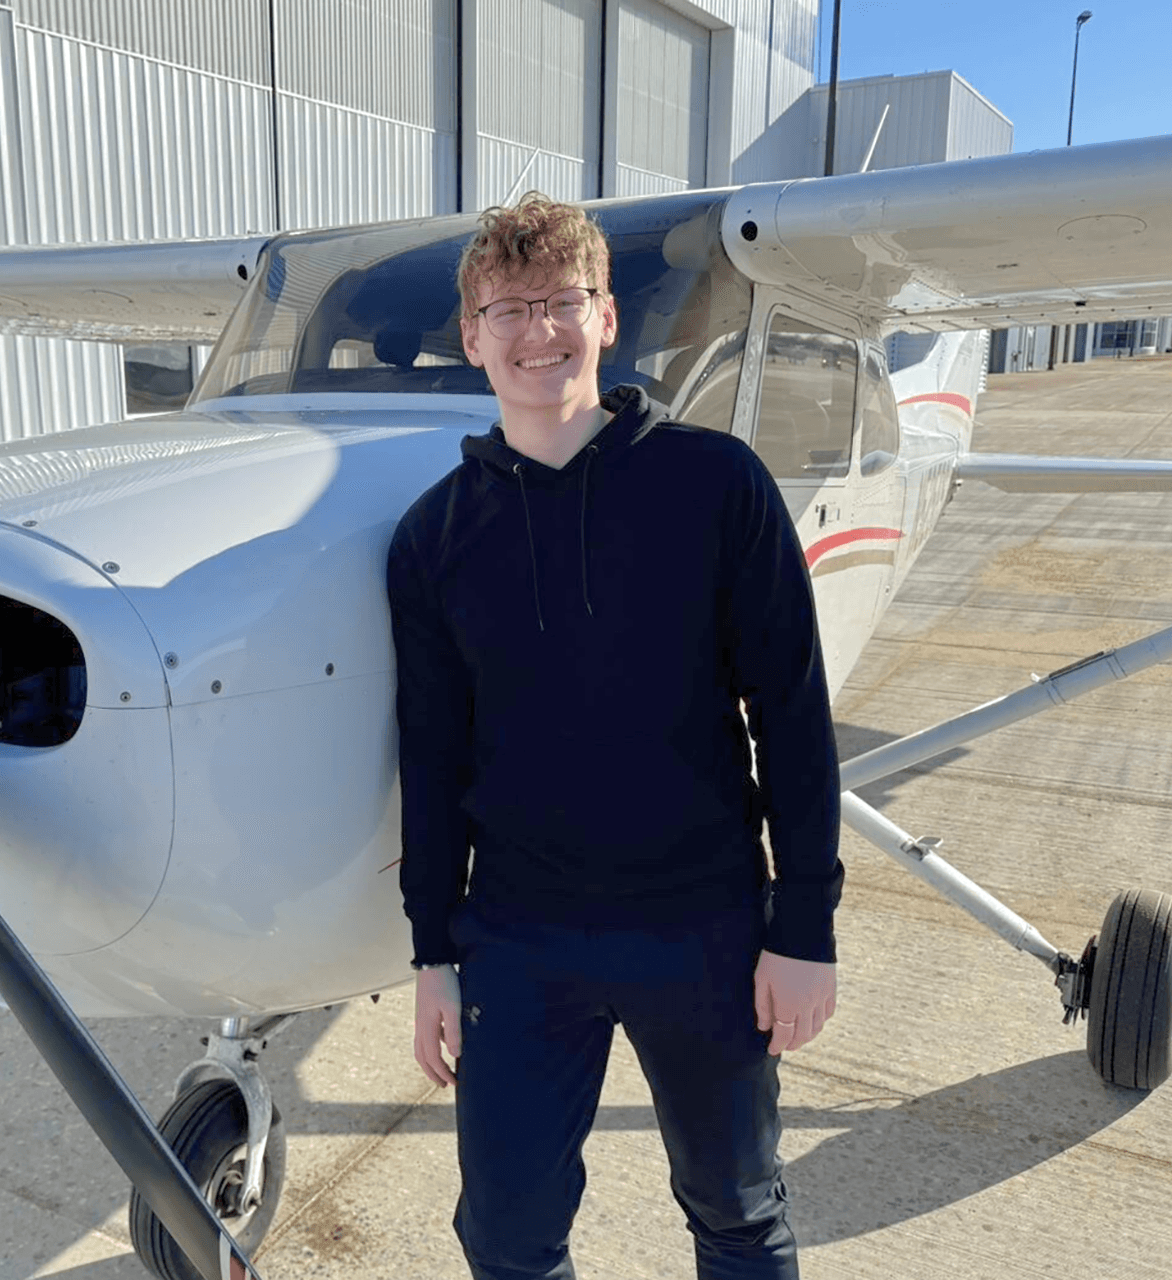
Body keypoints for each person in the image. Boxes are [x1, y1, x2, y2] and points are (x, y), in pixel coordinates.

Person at [386, 193, 844, 1280]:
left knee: (738, 1214)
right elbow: (433, 757)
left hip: (704, 923)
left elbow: (791, 711)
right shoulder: (432, 537)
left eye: (561, 301)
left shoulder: (716, 484)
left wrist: (804, 925)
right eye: (507, 309)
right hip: (519, 937)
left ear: (606, 318)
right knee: (504, 1237)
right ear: (472, 337)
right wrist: (433, 952)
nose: (536, 331)